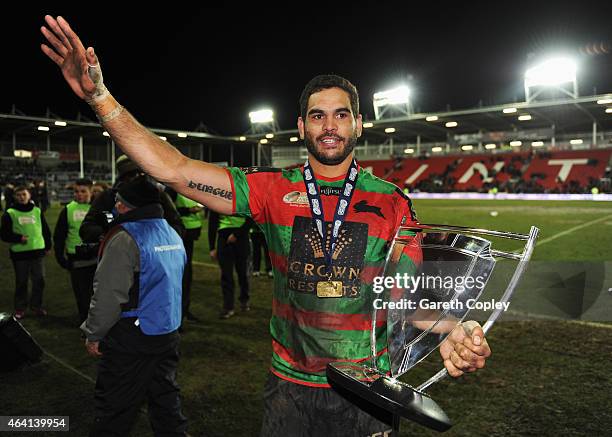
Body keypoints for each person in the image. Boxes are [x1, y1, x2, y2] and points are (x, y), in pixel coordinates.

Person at [42, 16, 491, 436]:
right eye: (318, 115)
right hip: (289, 389)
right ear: (301, 126)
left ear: (359, 123)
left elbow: (403, 300)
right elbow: (174, 169)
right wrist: (100, 98)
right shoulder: (270, 188)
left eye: (340, 114)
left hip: (366, 390)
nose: (329, 125)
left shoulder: (393, 204)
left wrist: (452, 328)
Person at [81, 176, 188, 436]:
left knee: (114, 405)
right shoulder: (171, 232)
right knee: (165, 400)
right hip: (167, 330)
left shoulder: (125, 238)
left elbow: (108, 295)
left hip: (131, 336)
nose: (115, 207)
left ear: (131, 205)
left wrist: (94, 333)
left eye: (119, 202)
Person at [79, 154, 184, 245]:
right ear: (122, 177)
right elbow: (86, 228)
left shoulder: (159, 196)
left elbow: (178, 227)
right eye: (130, 175)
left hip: (152, 258)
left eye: (141, 174)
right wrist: (109, 234)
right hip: (118, 256)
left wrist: (153, 235)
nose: (137, 178)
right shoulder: (108, 197)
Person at [1, 185, 52, 319]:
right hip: (20, 254)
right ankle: (20, 308)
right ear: (14, 197)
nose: (22, 197)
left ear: (29, 195)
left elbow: (45, 230)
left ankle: (36, 306)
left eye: (24, 194)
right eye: (19, 195)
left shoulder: (37, 210)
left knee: (39, 280)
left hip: (37, 252)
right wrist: (18, 238)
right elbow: (4, 234)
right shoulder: (10, 212)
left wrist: (48, 246)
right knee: (21, 282)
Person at [53, 178, 96, 325]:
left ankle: (99, 321)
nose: (79, 194)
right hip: (77, 260)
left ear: (91, 191)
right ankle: (86, 323)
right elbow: (59, 235)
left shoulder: (98, 208)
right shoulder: (68, 210)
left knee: (98, 293)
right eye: (76, 191)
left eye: (83, 191)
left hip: (98, 258)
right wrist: (60, 257)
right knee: (82, 295)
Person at [166, 188, 203, 322]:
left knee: (186, 276)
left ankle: (184, 311)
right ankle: (177, 315)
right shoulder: (172, 190)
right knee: (178, 277)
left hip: (188, 236)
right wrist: (189, 211)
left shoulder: (188, 188)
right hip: (178, 236)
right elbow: (168, 211)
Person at [208, 210, 252, 318]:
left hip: (241, 238)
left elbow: (252, 218)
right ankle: (228, 307)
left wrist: (237, 234)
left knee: (242, 273)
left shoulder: (244, 197)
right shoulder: (217, 197)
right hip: (223, 238)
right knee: (226, 274)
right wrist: (212, 247)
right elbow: (212, 222)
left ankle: (244, 299)